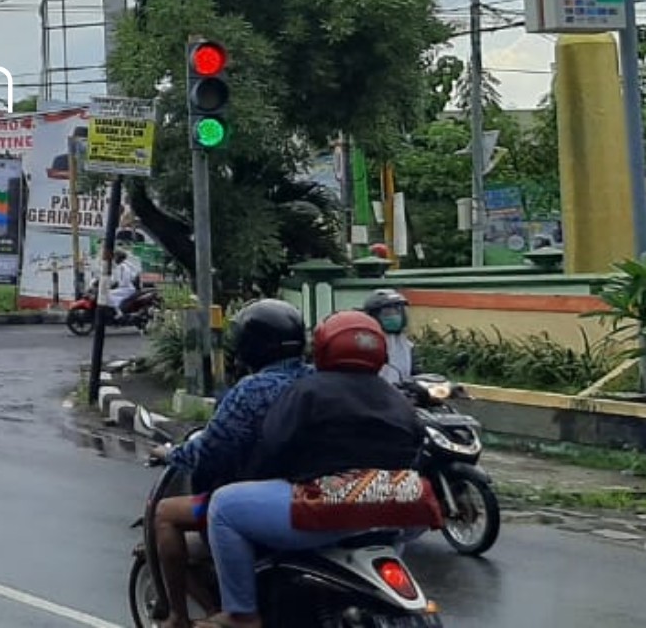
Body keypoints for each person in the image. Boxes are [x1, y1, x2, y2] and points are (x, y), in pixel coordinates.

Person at [202, 312, 441, 627]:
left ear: (323, 348)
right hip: (401, 510)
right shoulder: (396, 398)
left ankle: (241, 614)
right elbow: (416, 448)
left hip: (331, 508)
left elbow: (273, 447)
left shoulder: (308, 391)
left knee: (224, 506)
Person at [146, 299, 311, 628]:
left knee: (165, 513)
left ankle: (179, 616)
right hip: (317, 489)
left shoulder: (252, 390)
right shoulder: (316, 379)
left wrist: (169, 453)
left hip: (265, 494)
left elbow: (209, 450)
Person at [361, 288, 415, 386]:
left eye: (397, 312)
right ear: (374, 315)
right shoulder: (367, 344)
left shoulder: (407, 345)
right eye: (388, 313)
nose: (394, 316)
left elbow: (415, 373)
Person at [108, 235, 143, 315]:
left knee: (109, 295)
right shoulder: (125, 265)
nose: (114, 259)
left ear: (118, 257)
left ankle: (118, 312)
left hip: (127, 289)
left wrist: (114, 285)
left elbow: (124, 281)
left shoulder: (123, 266)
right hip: (128, 288)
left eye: (115, 257)